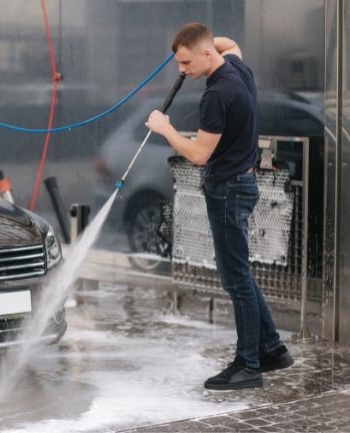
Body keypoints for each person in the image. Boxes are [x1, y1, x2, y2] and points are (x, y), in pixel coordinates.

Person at [145, 22, 294, 390]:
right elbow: (232, 43)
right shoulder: (238, 69)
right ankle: (272, 348)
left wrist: (165, 128)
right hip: (241, 183)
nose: (182, 71)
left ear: (207, 54)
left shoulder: (216, 96)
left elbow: (198, 154)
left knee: (236, 280)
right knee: (239, 273)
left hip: (227, 190)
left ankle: (248, 365)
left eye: (185, 63)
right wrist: (202, 42)